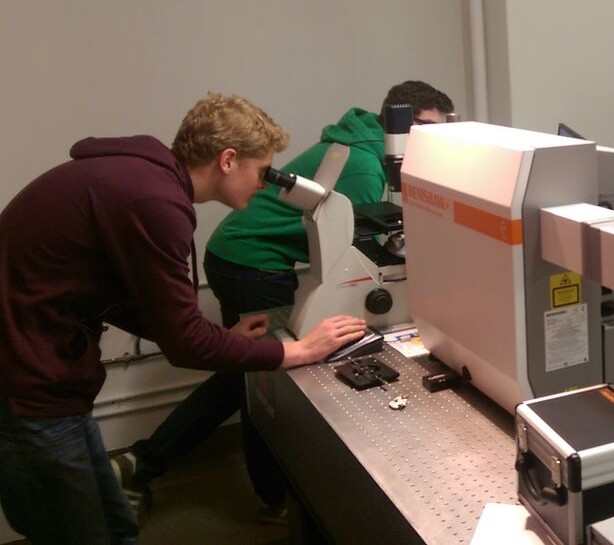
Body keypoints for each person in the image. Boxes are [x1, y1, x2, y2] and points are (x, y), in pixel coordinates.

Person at [0, 92, 367, 544]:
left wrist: (218, 336)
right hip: (26, 385)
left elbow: (146, 306)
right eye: (262, 170)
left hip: (46, 366)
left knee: (116, 525)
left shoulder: (142, 179)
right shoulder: (154, 201)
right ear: (228, 160)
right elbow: (183, 344)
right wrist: (295, 350)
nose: (265, 183)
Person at [111, 81, 454, 521]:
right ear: (402, 126)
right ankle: (271, 493)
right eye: (424, 130)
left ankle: (143, 463)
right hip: (252, 261)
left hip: (235, 253)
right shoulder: (366, 167)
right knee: (263, 375)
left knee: (247, 371)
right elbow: (363, 247)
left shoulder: (353, 141)